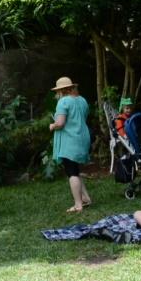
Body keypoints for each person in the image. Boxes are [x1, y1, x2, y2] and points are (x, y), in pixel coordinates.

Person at [47, 76, 92, 213]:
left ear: (61, 91)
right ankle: (86, 198)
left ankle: (78, 205)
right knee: (76, 170)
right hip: (82, 137)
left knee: (71, 172)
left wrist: (52, 125)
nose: (57, 94)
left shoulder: (63, 102)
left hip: (70, 140)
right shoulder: (82, 100)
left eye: (57, 91)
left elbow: (60, 123)